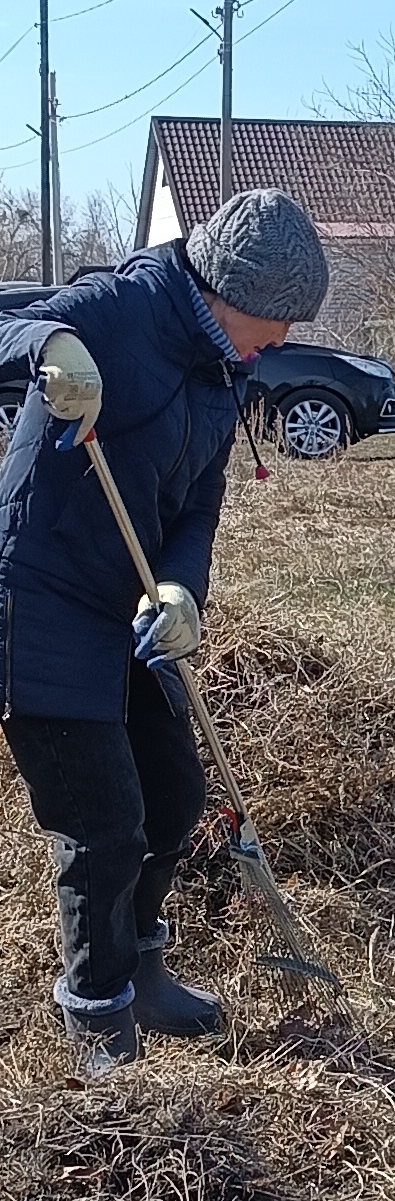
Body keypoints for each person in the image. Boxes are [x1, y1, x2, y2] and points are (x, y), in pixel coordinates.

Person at [0, 189, 330, 1077]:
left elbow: (199, 504)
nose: (286, 338)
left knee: (175, 797)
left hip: (126, 608)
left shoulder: (222, 367)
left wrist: (184, 586)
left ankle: (141, 965)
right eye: (280, 317)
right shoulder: (120, 309)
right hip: (37, 601)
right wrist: (49, 346)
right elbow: (11, 332)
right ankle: (97, 1013)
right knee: (103, 823)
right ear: (229, 288)